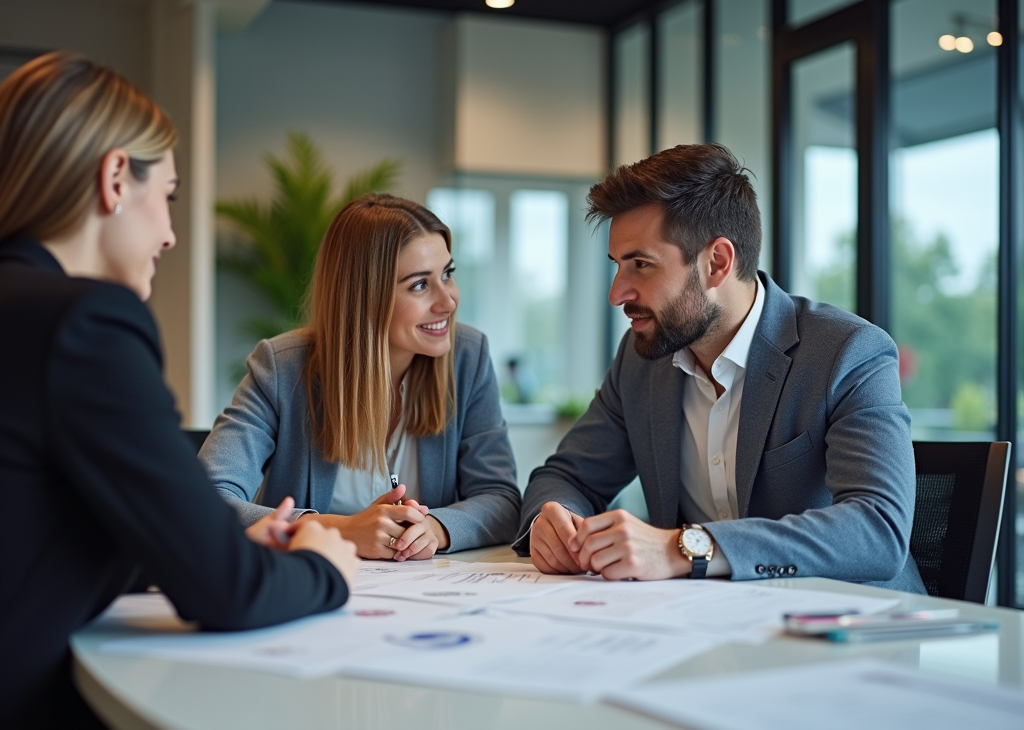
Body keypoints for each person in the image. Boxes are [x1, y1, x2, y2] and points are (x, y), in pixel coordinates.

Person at [0, 52, 360, 728]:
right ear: (114, 178)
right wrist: (323, 566)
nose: (168, 235)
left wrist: (207, 546)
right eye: (166, 195)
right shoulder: (83, 323)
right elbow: (227, 596)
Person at [515, 143, 925, 594]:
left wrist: (686, 549)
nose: (617, 293)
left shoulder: (847, 353)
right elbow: (567, 477)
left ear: (717, 262)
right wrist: (552, 521)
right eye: (617, 266)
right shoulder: (640, 360)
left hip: (847, 631)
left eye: (641, 265)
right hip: (703, 630)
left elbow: (877, 530)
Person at [202, 195, 521, 560]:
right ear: (365, 297)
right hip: (310, 594)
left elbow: (502, 500)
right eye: (419, 285)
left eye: (447, 274)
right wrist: (341, 530)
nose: (448, 302)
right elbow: (206, 497)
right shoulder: (281, 367)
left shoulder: (468, 356)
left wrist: (437, 527)